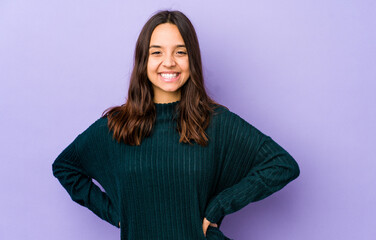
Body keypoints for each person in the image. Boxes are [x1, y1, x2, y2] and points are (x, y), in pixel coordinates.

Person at [52, 10, 300, 240]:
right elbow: (65, 166)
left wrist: (220, 205)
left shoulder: (215, 122)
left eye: (180, 52)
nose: (169, 62)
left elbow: (282, 165)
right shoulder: (117, 126)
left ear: (192, 59)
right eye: (157, 52)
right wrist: (116, 215)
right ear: (143, 60)